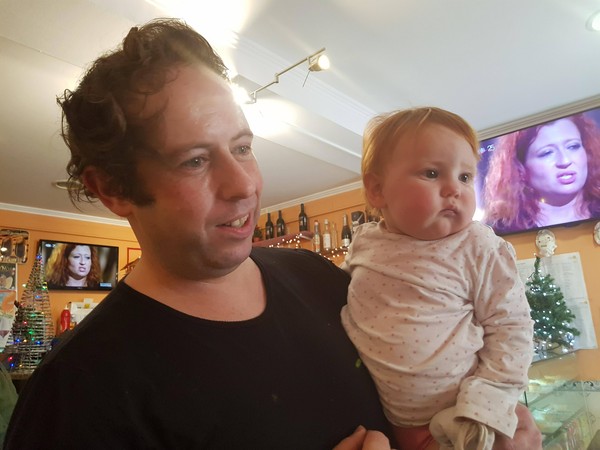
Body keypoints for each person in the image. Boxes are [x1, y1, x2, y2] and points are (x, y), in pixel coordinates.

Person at [4, 19, 541, 450]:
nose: (244, 184)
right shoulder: (76, 394)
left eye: (242, 147)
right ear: (112, 189)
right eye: (195, 160)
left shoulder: (323, 280)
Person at [341, 107, 535, 450]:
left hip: (464, 413)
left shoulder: (478, 246)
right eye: (432, 173)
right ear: (377, 190)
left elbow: (512, 327)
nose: (454, 189)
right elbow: (340, 294)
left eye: (465, 177)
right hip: (391, 418)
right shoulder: (365, 242)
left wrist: (487, 403)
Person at [483, 112, 600, 233]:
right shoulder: (498, 232)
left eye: (573, 146)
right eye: (547, 153)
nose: (565, 161)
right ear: (521, 167)